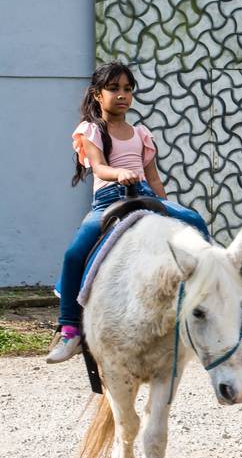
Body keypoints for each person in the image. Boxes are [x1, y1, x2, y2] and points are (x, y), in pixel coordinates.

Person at [46, 62, 210, 364]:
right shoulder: (91, 130)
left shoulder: (141, 133)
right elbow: (97, 167)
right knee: (74, 253)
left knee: (194, 221)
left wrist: (168, 208)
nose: (122, 95)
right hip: (109, 199)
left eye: (128, 89)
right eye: (114, 89)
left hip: (145, 195)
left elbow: (154, 177)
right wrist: (118, 173)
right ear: (98, 94)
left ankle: (211, 289)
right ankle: (69, 327)